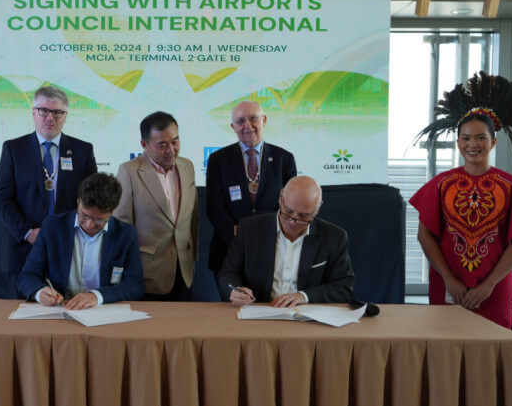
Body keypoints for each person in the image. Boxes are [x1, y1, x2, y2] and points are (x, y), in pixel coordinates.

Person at [410, 71, 512, 329]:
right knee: (444, 344)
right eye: (465, 138)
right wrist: (449, 279)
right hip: (448, 287)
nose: (472, 144)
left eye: (480, 138)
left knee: (493, 346)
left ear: (493, 142)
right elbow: (424, 235)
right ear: (458, 143)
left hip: (494, 289)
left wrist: (489, 285)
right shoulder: (440, 184)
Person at [0, 85, 97, 298]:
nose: (50, 117)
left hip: (68, 246)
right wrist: (27, 233)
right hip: (23, 248)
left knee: (66, 309)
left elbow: (91, 198)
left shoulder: (82, 150)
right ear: (33, 112)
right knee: (22, 310)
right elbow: (2, 199)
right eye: (43, 111)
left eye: (57, 112)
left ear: (66, 116)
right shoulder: (13, 149)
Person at [218, 175, 354, 306]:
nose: (293, 221)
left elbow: (344, 288)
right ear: (280, 197)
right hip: (259, 309)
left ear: (317, 208)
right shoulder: (249, 229)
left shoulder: (334, 237)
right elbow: (228, 274)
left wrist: (305, 296)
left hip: (305, 314)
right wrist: (235, 290)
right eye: (288, 211)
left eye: (303, 216)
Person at [18, 172, 144, 307]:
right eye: (84, 215)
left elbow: (135, 285)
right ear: (78, 201)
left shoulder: (125, 234)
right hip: (60, 309)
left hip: (102, 310)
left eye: (98, 220)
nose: (89, 225)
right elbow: (27, 277)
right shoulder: (52, 227)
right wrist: (39, 292)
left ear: (112, 212)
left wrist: (96, 296)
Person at [114, 112, 198, 301]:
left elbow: (193, 218)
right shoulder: (129, 171)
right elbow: (122, 226)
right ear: (144, 145)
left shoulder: (188, 167)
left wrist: (192, 258)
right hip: (147, 275)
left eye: (175, 141)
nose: (171, 150)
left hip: (184, 272)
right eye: (162, 145)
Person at [206, 100, 296, 275]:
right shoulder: (218, 160)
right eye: (240, 121)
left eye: (253, 118)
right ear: (233, 127)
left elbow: (291, 206)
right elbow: (214, 207)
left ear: (264, 120)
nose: (247, 126)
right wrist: (238, 235)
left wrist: (270, 232)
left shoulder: (284, 159)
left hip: (272, 249)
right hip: (228, 251)